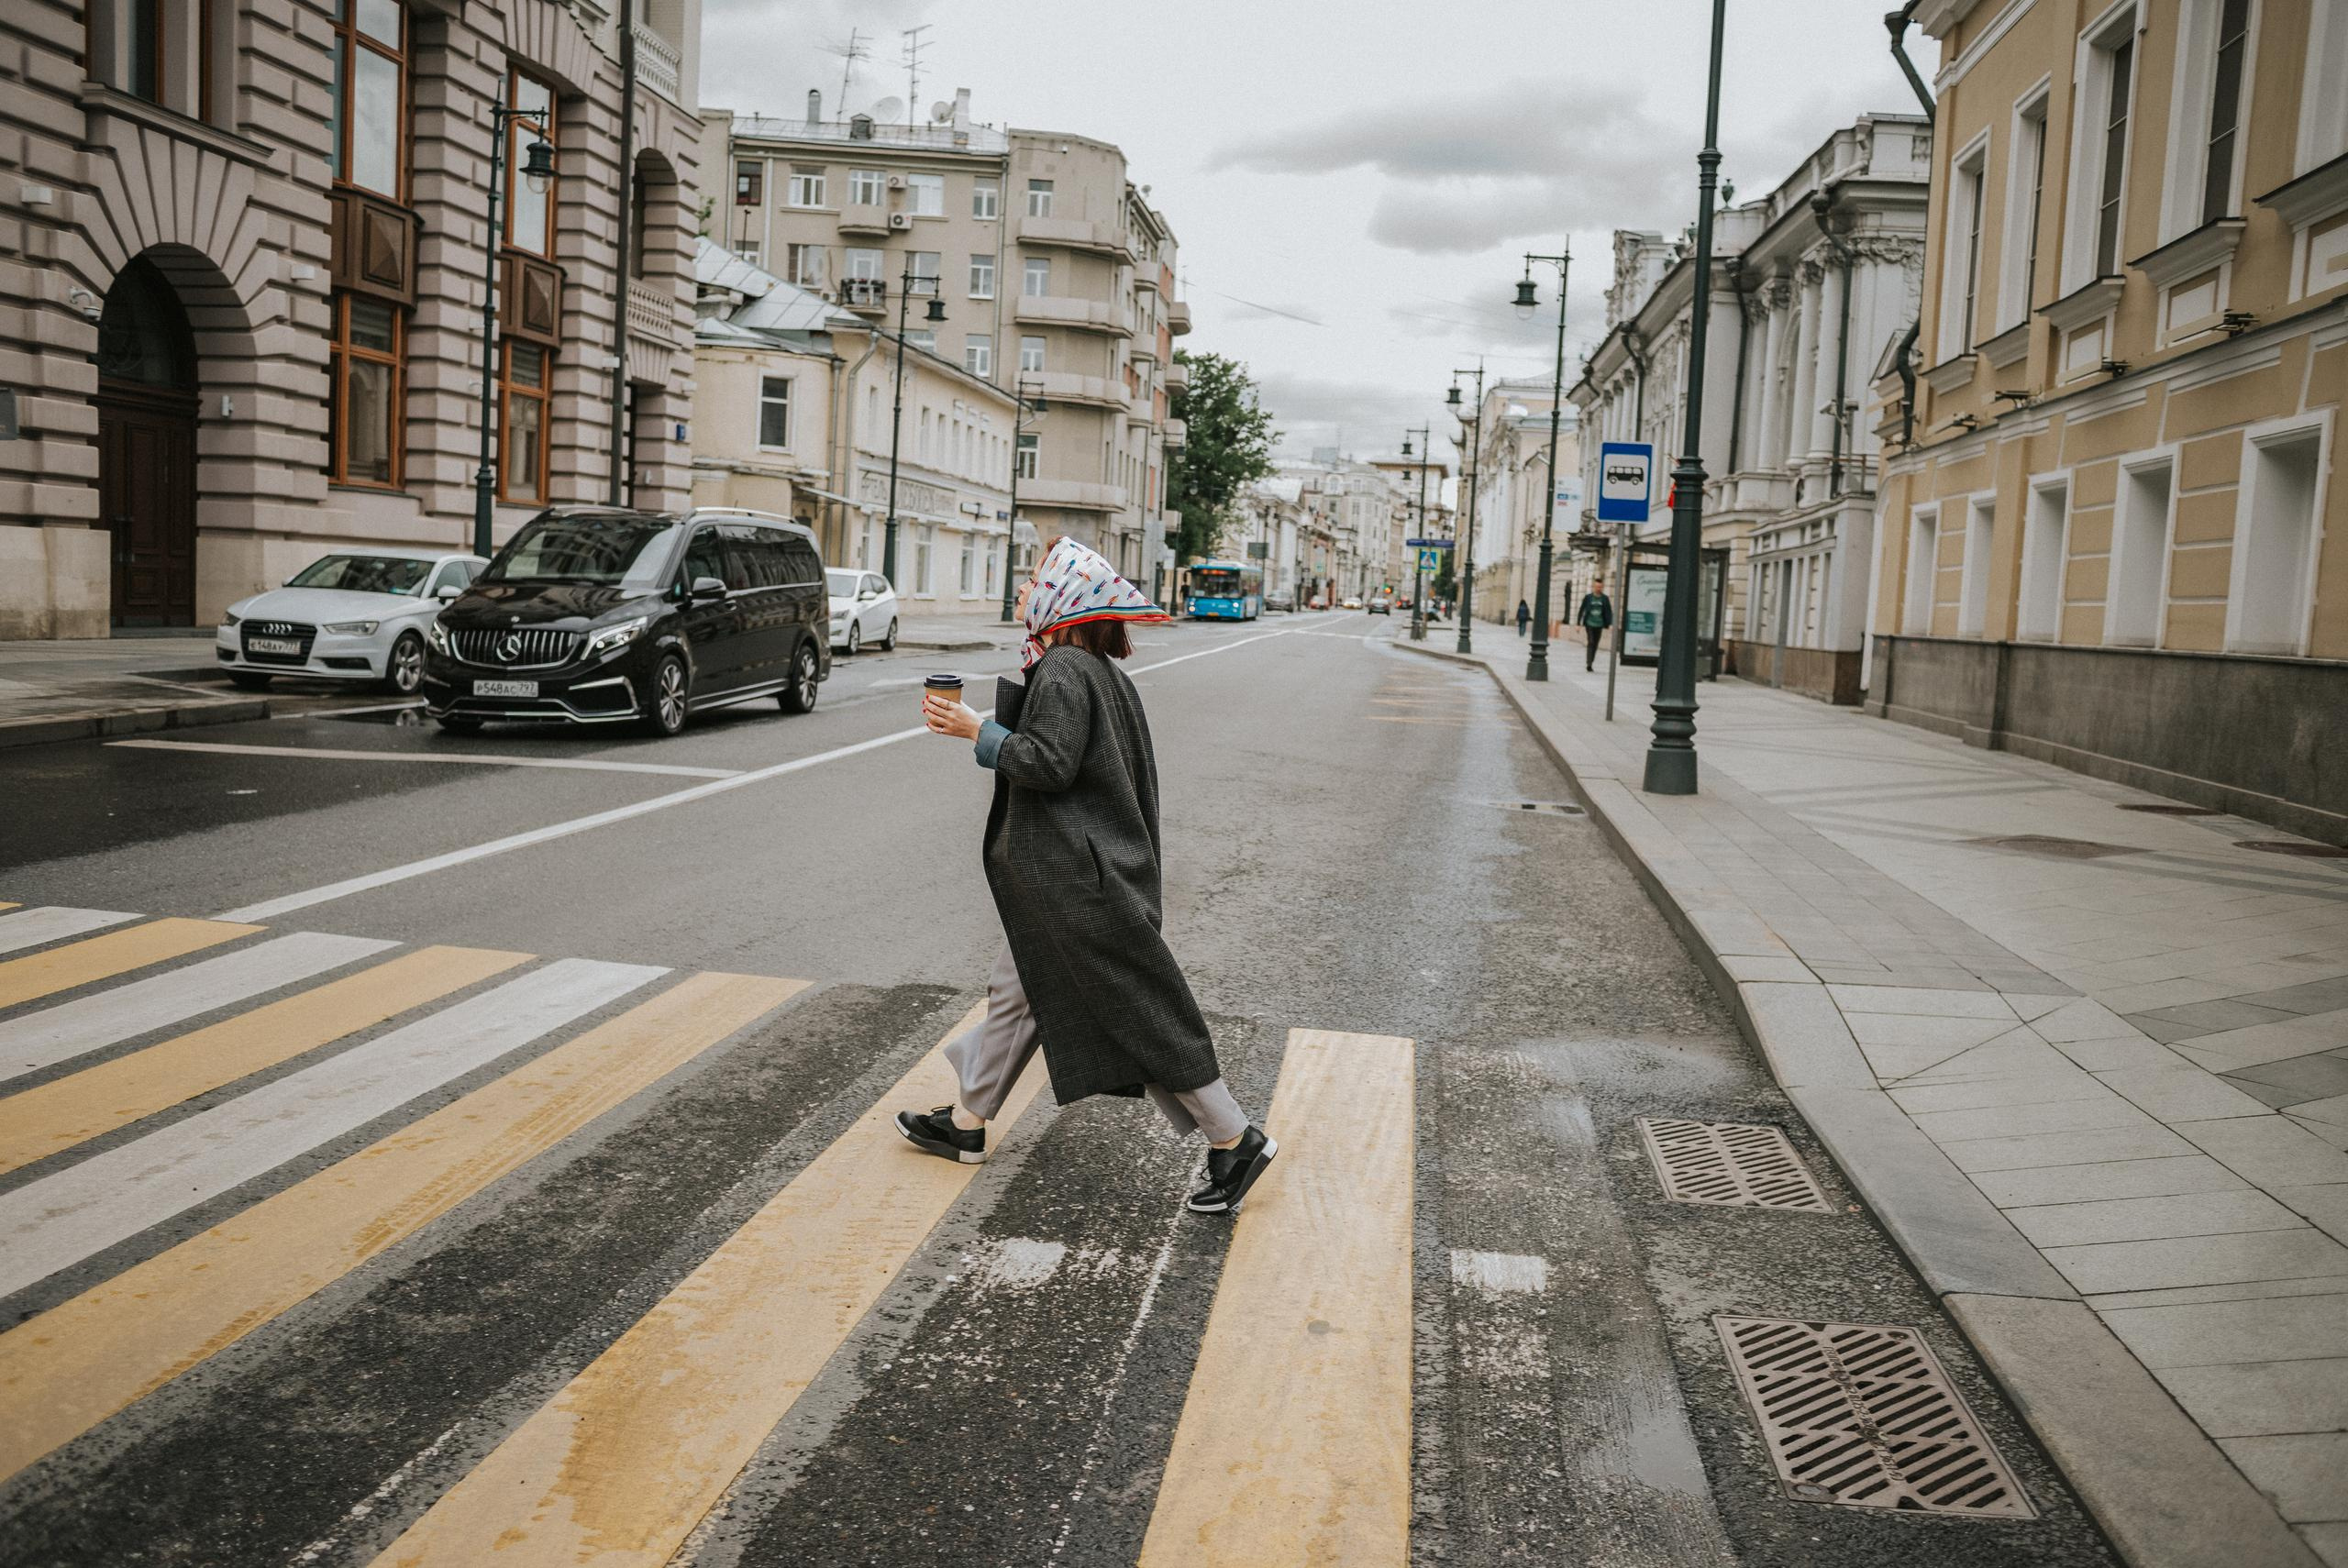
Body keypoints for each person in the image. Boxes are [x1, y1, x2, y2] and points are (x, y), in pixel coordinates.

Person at [900, 537, 1278, 1215]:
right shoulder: (1094, 670)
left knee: (1142, 1012)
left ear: (1062, 602)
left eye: (1033, 582)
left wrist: (973, 731)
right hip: (1076, 876)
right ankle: (965, 1124)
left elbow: (1049, 763)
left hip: (1078, 880)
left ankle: (1234, 1138)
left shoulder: (1067, 668)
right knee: (1015, 992)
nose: (1022, 593)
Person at [1577, 583, 1614, 670]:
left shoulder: (1605, 598)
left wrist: (1610, 624)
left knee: (1595, 644)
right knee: (1591, 642)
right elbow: (1582, 610)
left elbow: (1608, 611)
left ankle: (1591, 661)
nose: (1599, 588)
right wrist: (1578, 624)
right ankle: (1589, 663)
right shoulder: (1588, 597)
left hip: (1599, 624)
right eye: (1597, 586)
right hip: (1589, 624)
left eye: (1600, 587)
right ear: (1594, 587)